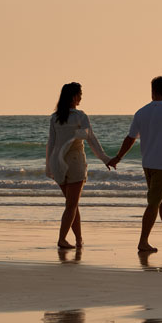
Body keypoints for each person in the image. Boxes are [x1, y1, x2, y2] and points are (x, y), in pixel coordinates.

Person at [108, 76, 162, 253]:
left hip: (147, 164)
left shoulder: (141, 112)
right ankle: (143, 242)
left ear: (152, 90)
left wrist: (118, 157)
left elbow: (130, 138)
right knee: (154, 204)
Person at [46, 82, 112, 249]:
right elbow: (91, 139)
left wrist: (49, 166)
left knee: (72, 205)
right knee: (71, 205)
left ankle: (78, 239)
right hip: (75, 164)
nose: (81, 97)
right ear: (74, 97)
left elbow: (51, 144)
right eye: (80, 94)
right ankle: (62, 239)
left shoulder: (55, 118)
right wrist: (104, 158)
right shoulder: (80, 116)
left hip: (58, 164)